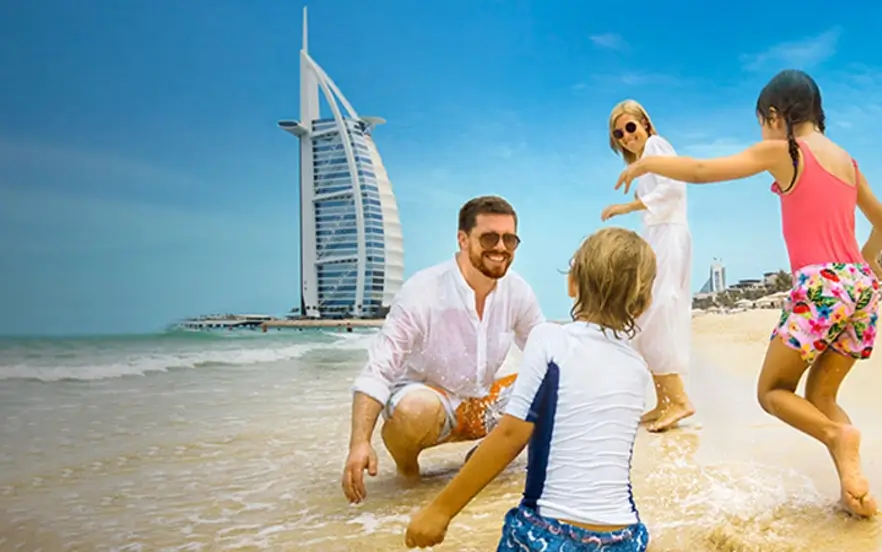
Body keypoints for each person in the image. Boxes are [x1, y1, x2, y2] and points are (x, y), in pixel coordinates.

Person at [615, 69, 882, 518]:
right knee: (822, 398)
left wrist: (647, 163)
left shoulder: (785, 151)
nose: (761, 131)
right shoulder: (847, 162)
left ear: (775, 116)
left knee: (773, 391)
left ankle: (841, 438)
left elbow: (701, 171)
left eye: (761, 122)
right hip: (862, 288)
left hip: (821, 287)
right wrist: (861, 262)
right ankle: (853, 492)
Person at [405, 227, 656, 551]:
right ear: (643, 304)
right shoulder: (637, 368)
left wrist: (440, 510)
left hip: (550, 532)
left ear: (572, 283)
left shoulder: (550, 339)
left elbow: (511, 435)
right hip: (626, 535)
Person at [341, 195, 545, 504]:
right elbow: (378, 370)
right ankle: (408, 470)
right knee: (416, 410)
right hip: (431, 403)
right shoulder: (423, 290)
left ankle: (485, 456)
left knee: (549, 381)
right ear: (463, 239)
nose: (501, 248)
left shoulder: (517, 290)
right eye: (489, 237)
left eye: (509, 239)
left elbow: (545, 349)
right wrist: (359, 444)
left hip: (484, 403)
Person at [601, 99, 696, 432]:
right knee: (647, 314)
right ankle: (665, 402)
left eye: (631, 127)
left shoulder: (656, 146)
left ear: (645, 124)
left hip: (668, 236)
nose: (627, 137)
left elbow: (673, 189)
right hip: (658, 237)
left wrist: (626, 208)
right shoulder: (645, 159)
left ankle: (680, 401)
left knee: (658, 314)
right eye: (619, 133)